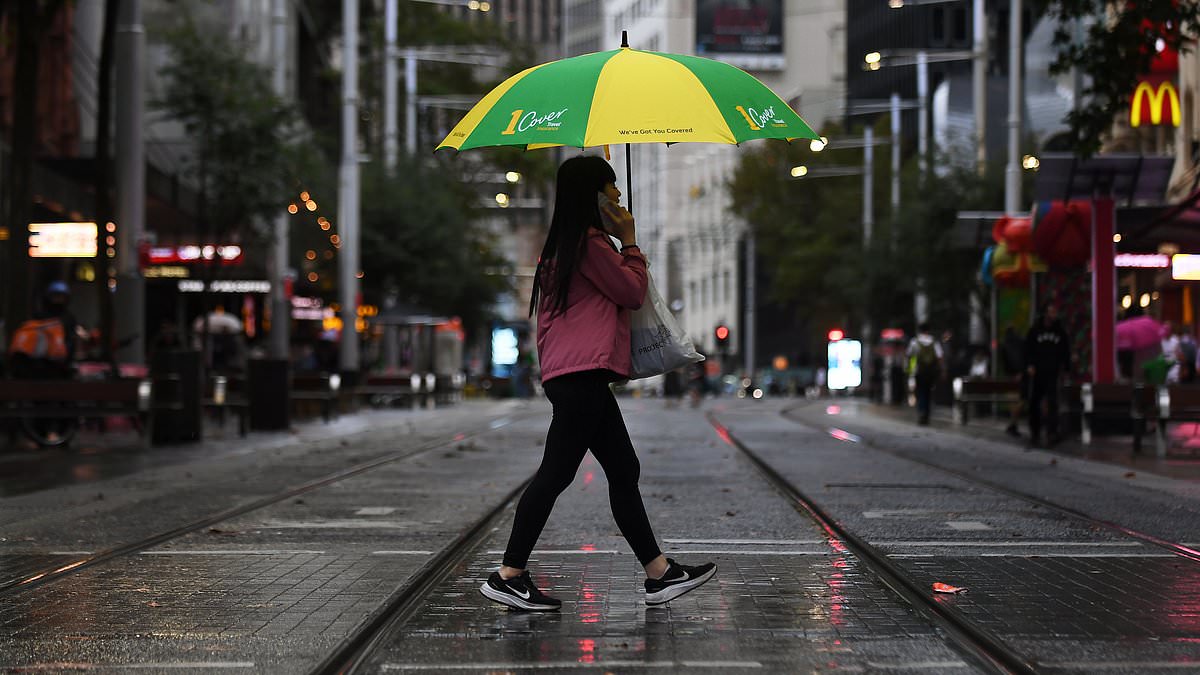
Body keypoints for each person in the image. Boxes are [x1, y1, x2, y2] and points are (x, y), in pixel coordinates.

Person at [479, 155, 716, 612]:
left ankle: (659, 573)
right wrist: (629, 242)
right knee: (557, 473)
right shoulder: (590, 244)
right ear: (594, 197)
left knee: (623, 470)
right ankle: (509, 573)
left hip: (578, 375)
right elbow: (631, 292)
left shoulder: (571, 245)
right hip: (581, 375)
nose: (620, 196)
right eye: (612, 188)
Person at [8, 281, 80, 379]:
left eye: (61, 296)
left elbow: (70, 342)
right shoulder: (39, 316)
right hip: (36, 361)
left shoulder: (68, 318)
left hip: (58, 364)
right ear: (49, 297)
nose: (58, 299)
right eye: (55, 296)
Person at [1024, 305, 1071, 447]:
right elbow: (1028, 349)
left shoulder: (1060, 332)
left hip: (1053, 371)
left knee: (1052, 401)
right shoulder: (1035, 331)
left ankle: (1052, 432)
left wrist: (1066, 368)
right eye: (1051, 311)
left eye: (1055, 312)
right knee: (1035, 401)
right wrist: (1030, 364)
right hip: (1038, 371)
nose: (1054, 314)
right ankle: (1035, 431)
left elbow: (1065, 351)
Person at [906, 323, 944, 425]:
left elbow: (909, 355)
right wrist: (942, 370)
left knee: (920, 391)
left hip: (919, 371)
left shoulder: (915, 341)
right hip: (931, 372)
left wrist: (908, 369)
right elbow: (940, 357)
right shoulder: (934, 341)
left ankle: (921, 412)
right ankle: (926, 414)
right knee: (928, 392)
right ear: (928, 330)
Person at [1001, 326, 1027, 437]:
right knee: (1018, 401)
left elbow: (1006, 362)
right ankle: (1013, 425)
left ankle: (1013, 425)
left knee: (1014, 402)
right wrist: (1020, 373)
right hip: (1017, 376)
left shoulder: (1005, 345)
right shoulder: (1020, 344)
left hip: (1011, 376)